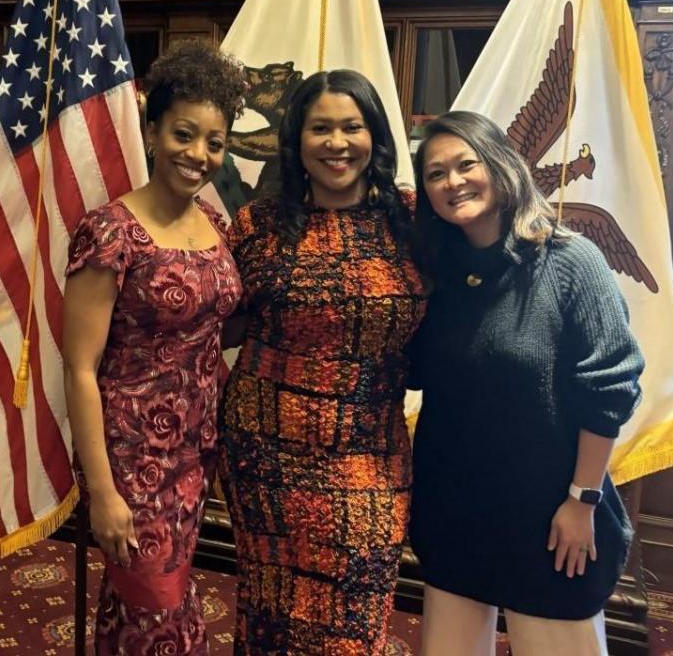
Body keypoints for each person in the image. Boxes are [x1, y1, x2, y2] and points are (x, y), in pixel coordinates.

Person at [407, 110, 645, 656]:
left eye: (466, 164)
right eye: (435, 173)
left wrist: (582, 501)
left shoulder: (571, 261)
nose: (452, 181)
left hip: (550, 513)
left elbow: (610, 392)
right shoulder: (435, 271)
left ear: (500, 164)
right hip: (455, 506)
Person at [218, 69, 427, 655]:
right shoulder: (258, 225)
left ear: (375, 136)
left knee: (354, 617)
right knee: (271, 608)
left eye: (351, 126)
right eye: (321, 128)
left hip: (370, 451)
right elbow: (214, 319)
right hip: (264, 448)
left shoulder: (412, 221)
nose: (337, 143)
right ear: (297, 141)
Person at [62, 40, 248, 655]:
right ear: (152, 129)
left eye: (213, 143)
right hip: (131, 460)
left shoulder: (218, 228)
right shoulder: (112, 231)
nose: (198, 155)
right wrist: (104, 490)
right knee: (158, 609)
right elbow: (80, 369)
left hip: (196, 455)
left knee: (146, 602)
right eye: (184, 134)